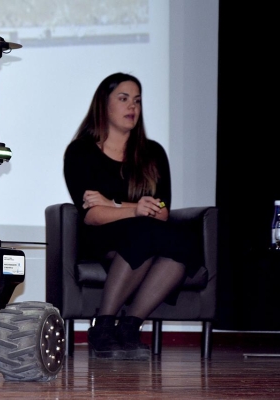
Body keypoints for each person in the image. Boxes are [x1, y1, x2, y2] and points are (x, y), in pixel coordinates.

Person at [63, 72, 200, 360]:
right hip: (101, 236)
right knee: (143, 232)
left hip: (146, 232)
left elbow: (161, 213)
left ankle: (129, 326)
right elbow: (92, 215)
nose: (132, 107)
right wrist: (133, 208)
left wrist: (113, 203)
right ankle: (103, 326)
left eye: (137, 101)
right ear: (104, 104)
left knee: (182, 242)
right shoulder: (81, 152)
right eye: (124, 99)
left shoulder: (153, 153)